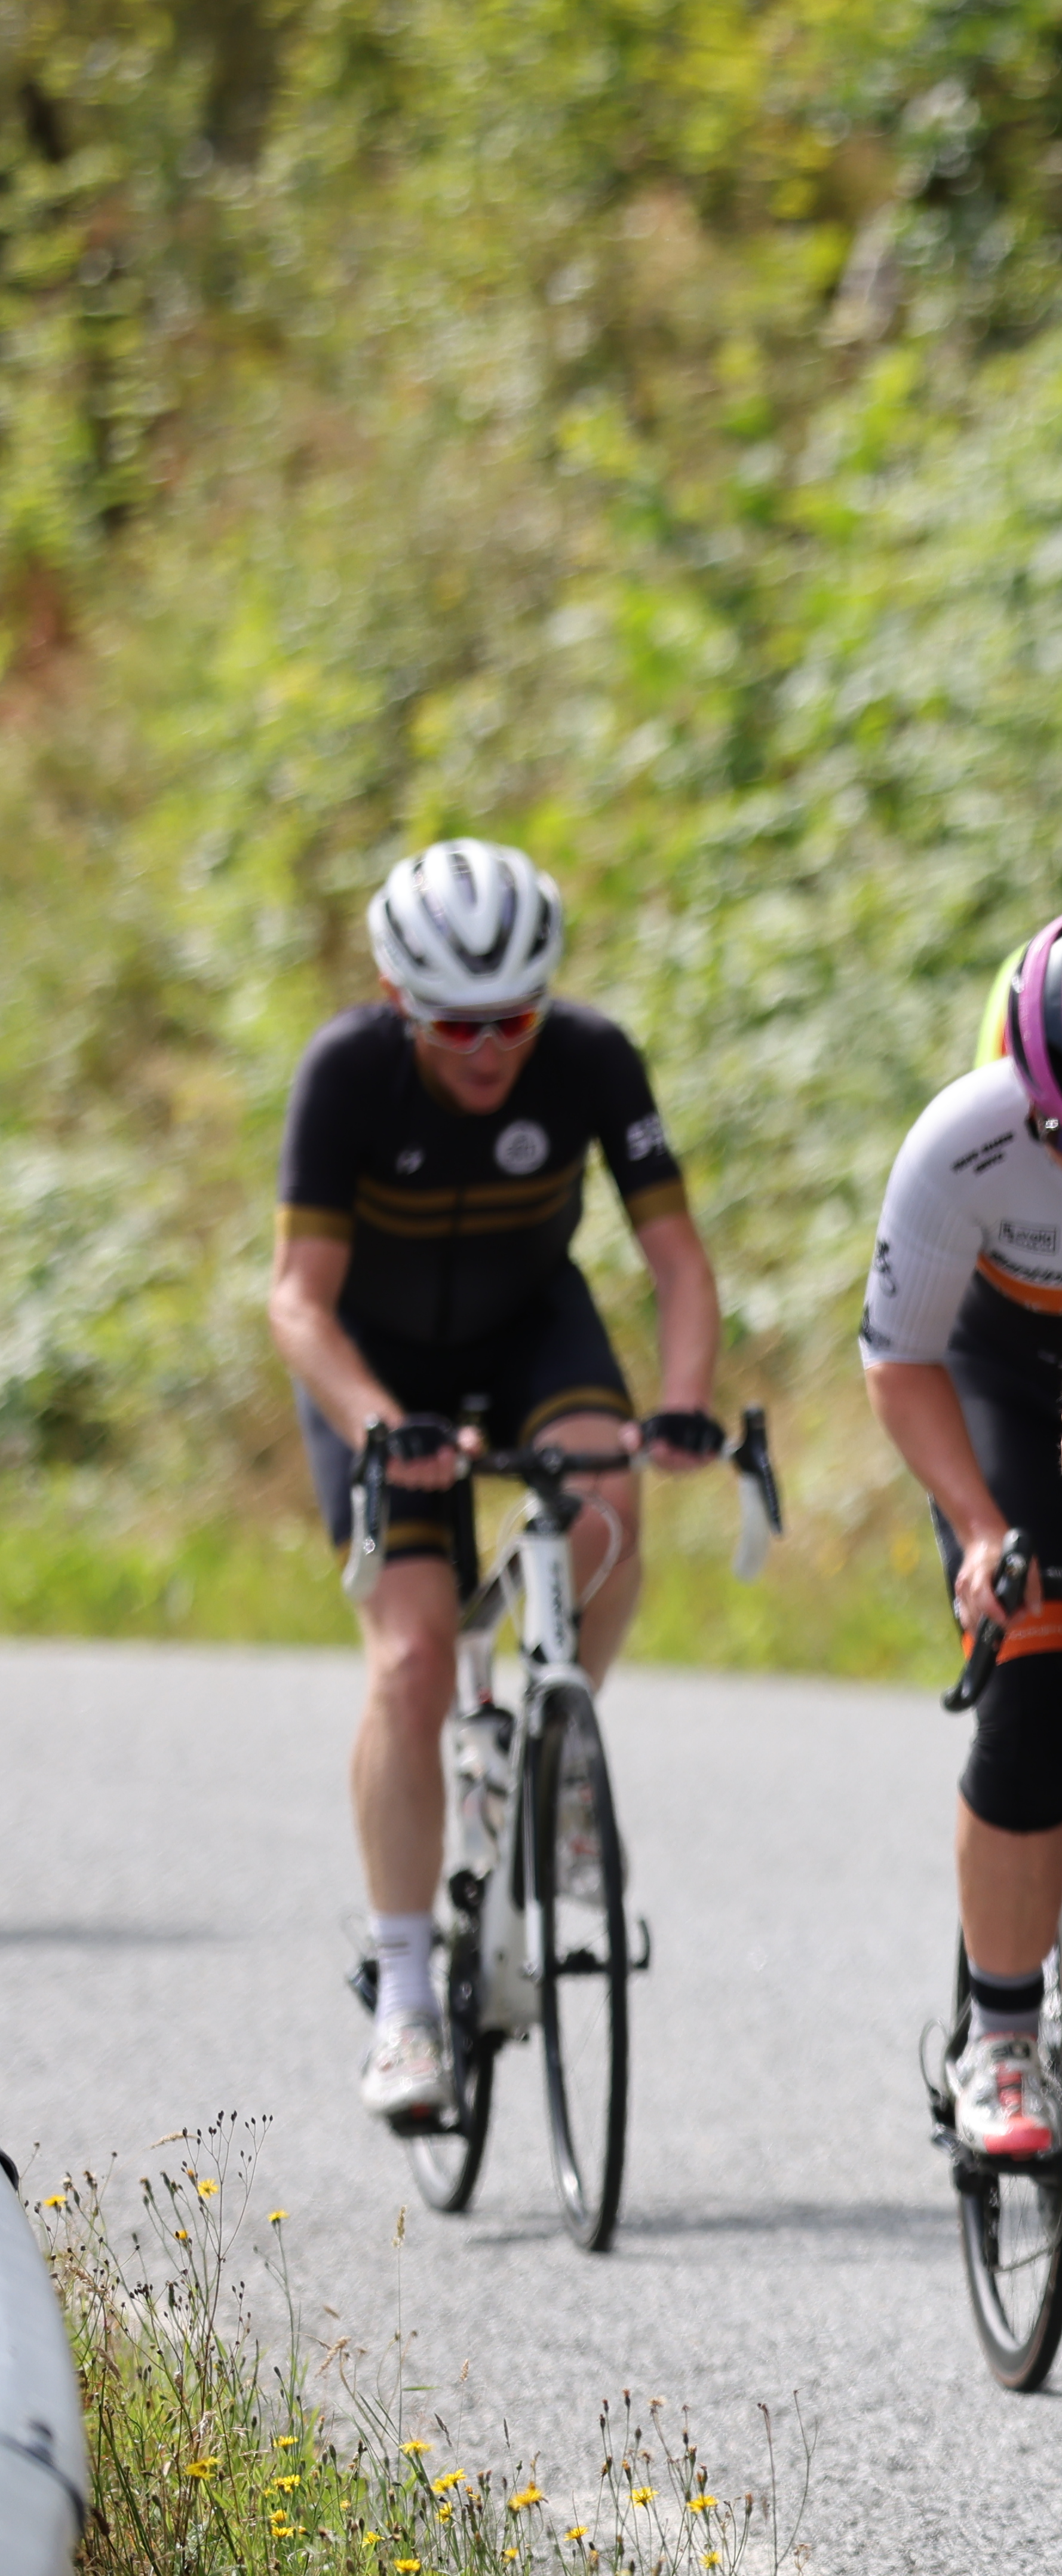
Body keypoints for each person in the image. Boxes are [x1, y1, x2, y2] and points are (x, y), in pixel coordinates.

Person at [266, 840, 725, 2131]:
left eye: (514, 1017)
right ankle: (406, 1992)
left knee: (607, 1512)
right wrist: (375, 1422)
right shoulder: (346, 1074)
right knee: (412, 1659)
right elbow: (296, 1301)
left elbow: (676, 1260)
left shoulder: (589, 1056)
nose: (489, 1050)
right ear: (394, 994)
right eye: (457, 1025)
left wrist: (681, 1400)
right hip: (378, 1359)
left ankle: (555, 1739)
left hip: (533, 1327)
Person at [859, 902, 1062, 2165]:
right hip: (1008, 1378)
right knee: (1038, 1670)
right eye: (1061, 1132)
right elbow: (899, 1361)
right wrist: (979, 1524)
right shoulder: (963, 1141)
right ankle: (999, 2033)